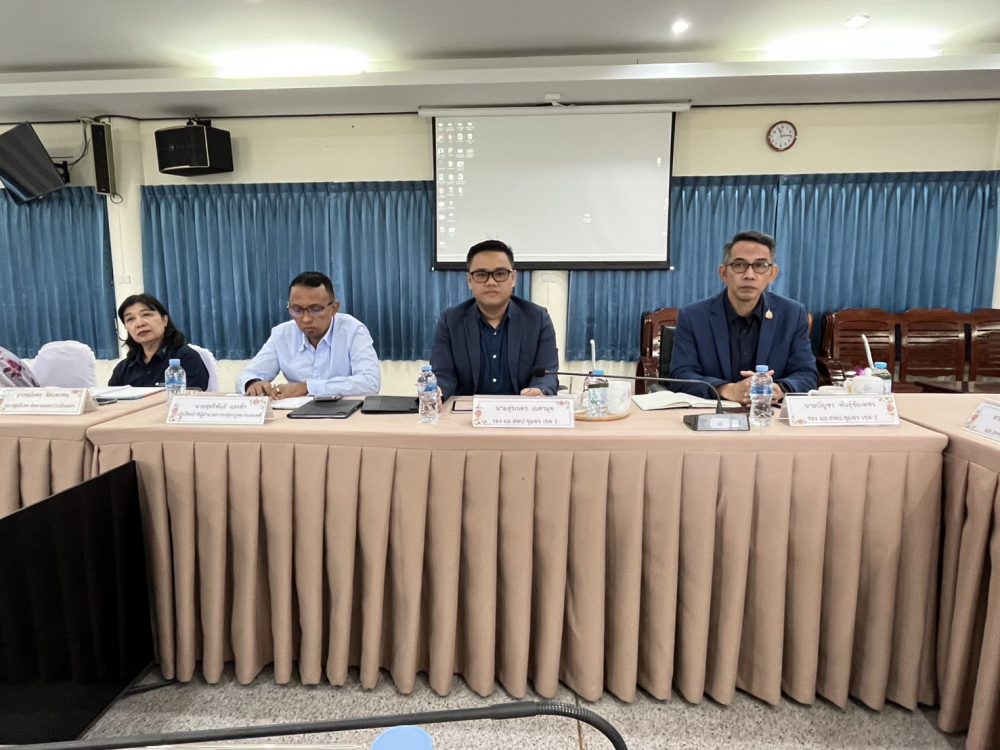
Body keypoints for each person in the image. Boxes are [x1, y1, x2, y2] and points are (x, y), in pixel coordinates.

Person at [669, 230, 818, 405]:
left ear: (772, 274)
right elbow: (681, 375)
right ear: (723, 273)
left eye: (760, 265)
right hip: (714, 414)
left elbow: (807, 373)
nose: (749, 275)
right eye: (739, 265)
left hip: (769, 413)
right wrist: (726, 390)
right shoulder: (693, 317)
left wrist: (779, 389)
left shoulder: (792, 314)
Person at [430, 239, 559, 401]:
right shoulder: (450, 321)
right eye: (481, 275)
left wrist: (539, 390)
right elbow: (442, 374)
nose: (491, 282)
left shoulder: (538, 319)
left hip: (521, 411)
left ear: (513, 278)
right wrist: (437, 391)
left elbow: (547, 373)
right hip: (467, 413)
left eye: (500, 274)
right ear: (469, 280)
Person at [238, 271, 380, 399]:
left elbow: (370, 383)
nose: (306, 319)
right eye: (297, 310)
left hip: (345, 415)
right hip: (294, 416)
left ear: (334, 309)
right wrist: (253, 384)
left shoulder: (353, 331)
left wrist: (307, 388)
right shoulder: (282, 335)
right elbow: (247, 376)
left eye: (315, 309)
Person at [109, 293, 210, 390]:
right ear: (127, 328)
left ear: (165, 320)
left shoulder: (186, 358)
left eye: (146, 314)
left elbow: (190, 398)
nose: (139, 323)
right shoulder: (123, 369)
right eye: (130, 319)